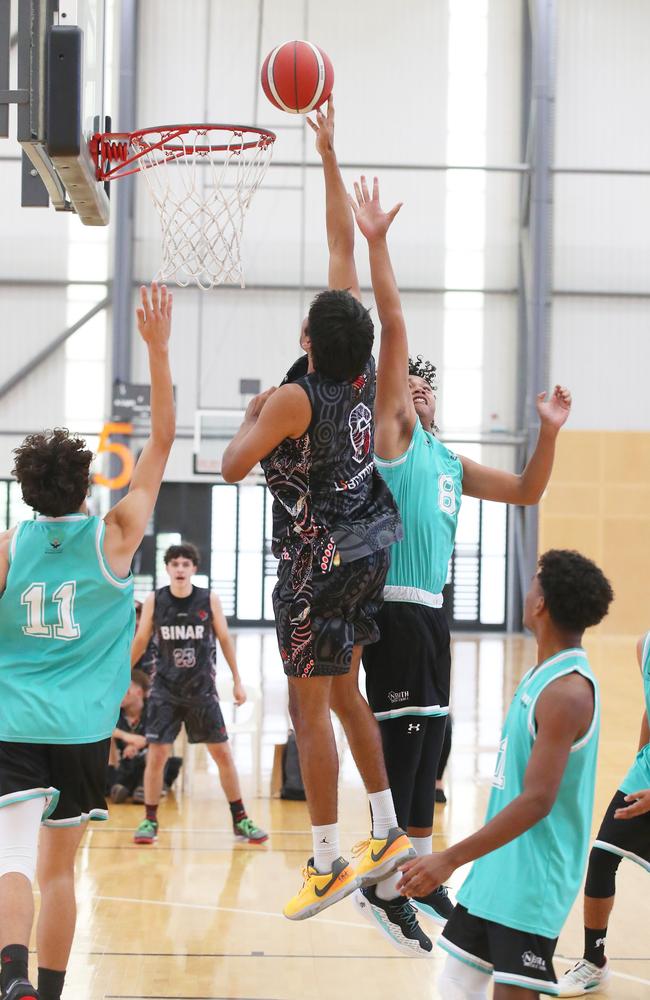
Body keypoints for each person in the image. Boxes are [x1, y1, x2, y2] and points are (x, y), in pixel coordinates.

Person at [346, 174, 573, 953]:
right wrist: (377, 244)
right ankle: (381, 886)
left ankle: (410, 876)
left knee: (432, 746)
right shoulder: (396, 441)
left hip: (432, 611)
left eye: (424, 386)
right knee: (405, 736)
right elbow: (395, 324)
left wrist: (547, 431)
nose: (417, 392)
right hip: (394, 604)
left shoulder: (446, 459)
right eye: (406, 385)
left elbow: (526, 489)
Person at [221, 96, 414, 923]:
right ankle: (390, 829)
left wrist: (252, 411)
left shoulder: (292, 400)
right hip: (370, 545)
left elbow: (231, 468)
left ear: (307, 338)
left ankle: (329, 859)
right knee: (345, 694)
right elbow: (350, 254)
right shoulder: (367, 370)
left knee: (308, 709)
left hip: (313, 563)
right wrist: (333, 160)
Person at [0, 283, 175, 1000]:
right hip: (79, 731)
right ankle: (50, 986)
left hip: (12, 721)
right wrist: (157, 351)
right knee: (57, 870)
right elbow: (160, 439)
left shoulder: (12, 546)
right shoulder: (115, 536)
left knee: (10, 858)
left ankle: (11, 975)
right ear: (85, 484)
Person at [396, 550, 614, 999]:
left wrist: (448, 858)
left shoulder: (567, 692)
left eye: (535, 582)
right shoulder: (543, 674)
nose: (528, 588)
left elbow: (537, 800)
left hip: (533, 881)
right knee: (455, 984)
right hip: (497, 869)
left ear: (541, 604)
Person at [130, 542, 267, 846]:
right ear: (167, 568)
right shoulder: (156, 600)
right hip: (165, 690)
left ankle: (240, 818)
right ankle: (149, 820)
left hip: (201, 691)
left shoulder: (209, 599)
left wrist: (237, 680)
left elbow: (224, 639)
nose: (180, 568)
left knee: (222, 754)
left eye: (186, 564)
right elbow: (140, 640)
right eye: (175, 563)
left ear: (194, 568)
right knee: (158, 755)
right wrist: (119, 676)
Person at [557, 632, 650, 996]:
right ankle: (594, 961)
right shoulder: (644, 645)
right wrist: (639, 762)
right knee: (602, 857)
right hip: (644, 773)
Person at [107, 670, 182, 803]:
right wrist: (126, 737)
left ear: (139, 692)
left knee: (154, 752)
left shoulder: (154, 710)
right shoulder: (114, 712)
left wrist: (140, 743)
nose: (119, 695)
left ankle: (144, 787)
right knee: (106, 741)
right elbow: (103, 728)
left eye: (126, 691)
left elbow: (163, 733)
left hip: (148, 760)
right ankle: (119, 786)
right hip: (125, 762)